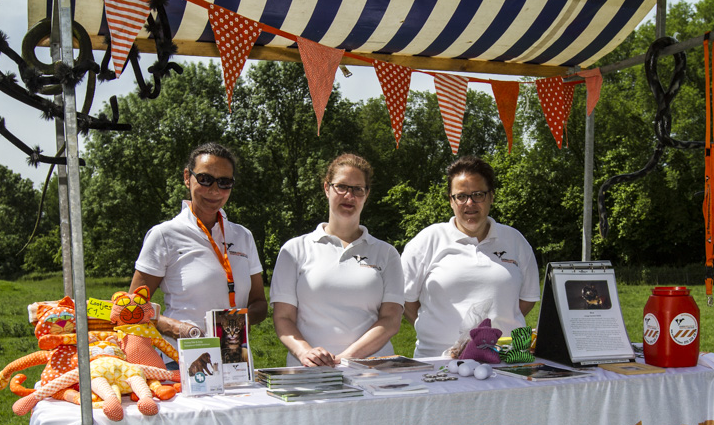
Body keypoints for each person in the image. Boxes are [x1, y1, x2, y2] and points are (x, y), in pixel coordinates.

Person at [270, 154, 404, 367]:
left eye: (357, 189)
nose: (349, 196)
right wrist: (306, 353)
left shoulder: (386, 253)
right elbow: (283, 318)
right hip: (309, 373)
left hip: (371, 372)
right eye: (341, 186)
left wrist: (344, 359)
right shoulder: (294, 250)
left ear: (366, 194)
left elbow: (391, 321)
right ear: (326, 188)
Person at [401, 155, 540, 357]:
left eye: (478, 195)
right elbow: (406, 301)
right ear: (451, 201)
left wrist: (493, 330)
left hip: (503, 363)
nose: (469, 203)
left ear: (491, 196)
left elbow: (526, 300)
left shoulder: (515, 240)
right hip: (437, 363)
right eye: (461, 196)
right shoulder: (427, 241)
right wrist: (435, 331)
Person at [130, 143, 267, 344]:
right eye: (205, 179)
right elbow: (131, 308)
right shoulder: (164, 235)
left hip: (234, 358)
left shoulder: (243, 236)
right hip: (179, 357)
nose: (214, 190)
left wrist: (236, 321)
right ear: (187, 177)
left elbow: (259, 304)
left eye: (224, 183)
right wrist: (174, 328)